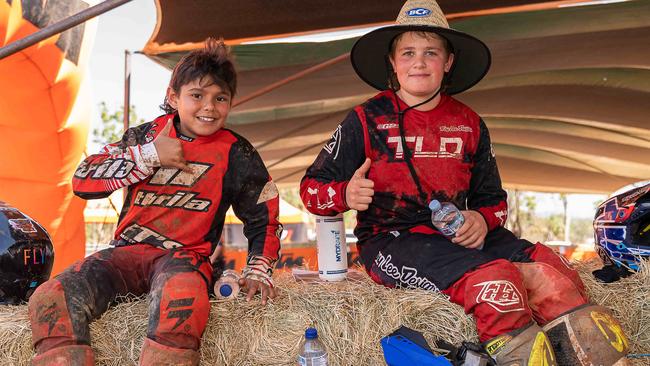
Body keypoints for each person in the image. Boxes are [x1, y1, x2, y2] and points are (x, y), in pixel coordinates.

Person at [300, 1, 629, 365]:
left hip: (458, 236)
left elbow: (495, 201)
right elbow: (310, 190)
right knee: (497, 285)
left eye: (431, 52)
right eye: (408, 52)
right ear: (392, 63)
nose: (419, 62)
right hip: (392, 242)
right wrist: (344, 193)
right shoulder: (364, 119)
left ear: (449, 62)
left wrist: (482, 220)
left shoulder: (469, 122)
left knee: (554, 270)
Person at [28, 38, 282, 366]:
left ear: (231, 102)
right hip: (123, 254)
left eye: (220, 98)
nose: (209, 107)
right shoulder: (144, 137)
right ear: (173, 97)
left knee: (182, 299)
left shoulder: (237, 152)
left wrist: (259, 271)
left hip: (183, 260)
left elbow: (265, 215)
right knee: (50, 297)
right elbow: (83, 179)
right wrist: (149, 155)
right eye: (197, 95)